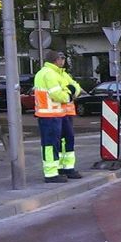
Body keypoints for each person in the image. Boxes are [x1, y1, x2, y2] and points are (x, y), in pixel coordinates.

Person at [33, 51, 78, 183]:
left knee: (60, 141)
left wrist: (71, 91)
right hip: (49, 114)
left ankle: (60, 169)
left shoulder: (57, 73)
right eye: (61, 58)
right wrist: (70, 94)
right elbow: (57, 94)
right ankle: (51, 174)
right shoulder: (49, 74)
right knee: (50, 144)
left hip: (57, 113)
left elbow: (76, 86)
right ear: (55, 60)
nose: (63, 60)